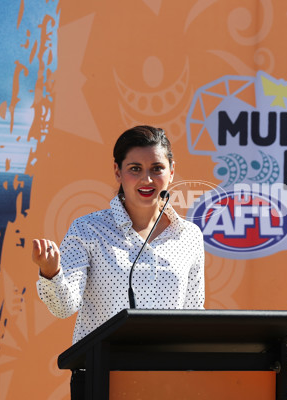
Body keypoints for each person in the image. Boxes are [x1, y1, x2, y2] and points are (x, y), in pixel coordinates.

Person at [32, 125, 205, 399]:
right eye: (135, 168)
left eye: (157, 168)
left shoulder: (190, 236)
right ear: (117, 171)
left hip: (168, 381)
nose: (146, 179)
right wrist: (51, 272)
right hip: (101, 376)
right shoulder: (87, 229)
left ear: (172, 171)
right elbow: (64, 308)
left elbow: (194, 316)